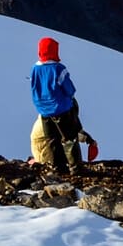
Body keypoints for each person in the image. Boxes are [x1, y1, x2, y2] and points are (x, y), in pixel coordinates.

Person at [29, 37, 95, 173]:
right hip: (61, 109)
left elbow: (34, 87)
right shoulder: (58, 69)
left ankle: (58, 167)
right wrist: (70, 97)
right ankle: (76, 167)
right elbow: (69, 89)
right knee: (69, 138)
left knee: (52, 140)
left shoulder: (35, 69)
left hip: (44, 110)